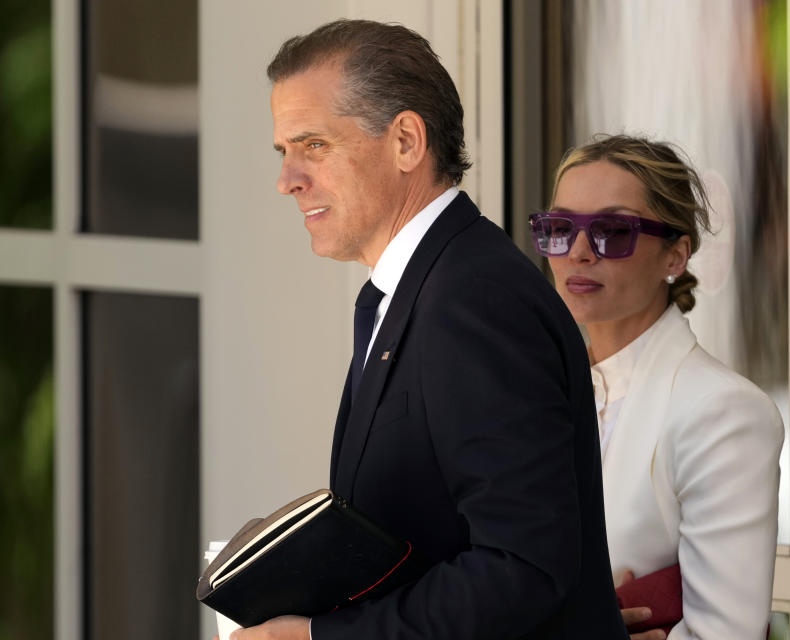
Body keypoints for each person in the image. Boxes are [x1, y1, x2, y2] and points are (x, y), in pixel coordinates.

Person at [232, 20, 628, 640]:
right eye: (284, 152)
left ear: (407, 142)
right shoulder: (420, 289)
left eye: (314, 145)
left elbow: (521, 567)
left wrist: (320, 639)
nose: (288, 179)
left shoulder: (472, 300)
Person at [531, 135, 784, 640]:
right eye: (560, 228)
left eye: (612, 230)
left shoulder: (724, 412)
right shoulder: (535, 397)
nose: (578, 252)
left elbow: (726, 633)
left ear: (676, 256)